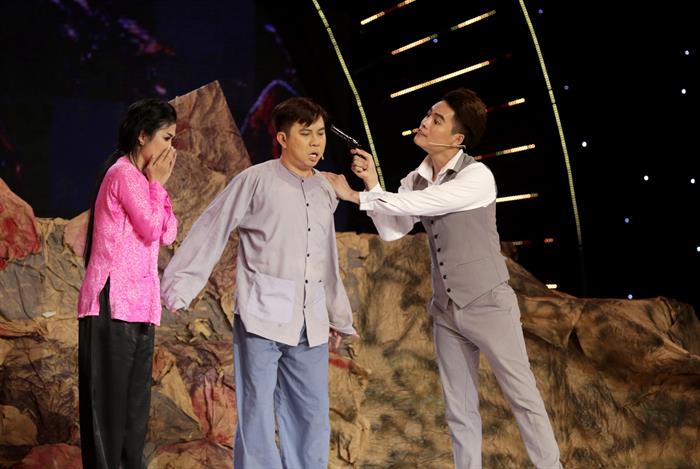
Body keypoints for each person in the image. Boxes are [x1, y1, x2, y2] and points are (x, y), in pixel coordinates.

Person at [323, 88, 563, 469]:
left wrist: (355, 196)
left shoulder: (476, 176)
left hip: (488, 303)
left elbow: (425, 204)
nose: (425, 122)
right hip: (446, 309)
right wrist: (371, 183)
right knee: (459, 411)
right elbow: (393, 229)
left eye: (437, 120)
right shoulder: (417, 179)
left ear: (457, 138)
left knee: (523, 398)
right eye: (428, 115)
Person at [160, 96, 357, 469]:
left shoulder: (325, 188)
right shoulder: (256, 180)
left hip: (310, 320)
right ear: (282, 138)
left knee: (312, 416)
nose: (316, 142)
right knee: (257, 415)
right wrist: (180, 286)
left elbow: (326, 257)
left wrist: (336, 314)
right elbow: (213, 227)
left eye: (320, 133)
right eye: (306, 133)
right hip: (262, 316)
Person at [78, 98, 178, 468]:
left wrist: (157, 187)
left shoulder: (147, 182)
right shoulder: (122, 174)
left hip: (140, 305)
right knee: (109, 409)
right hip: (111, 302)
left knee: (134, 412)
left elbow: (168, 231)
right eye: (166, 138)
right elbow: (152, 227)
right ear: (142, 136)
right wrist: (158, 186)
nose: (170, 149)